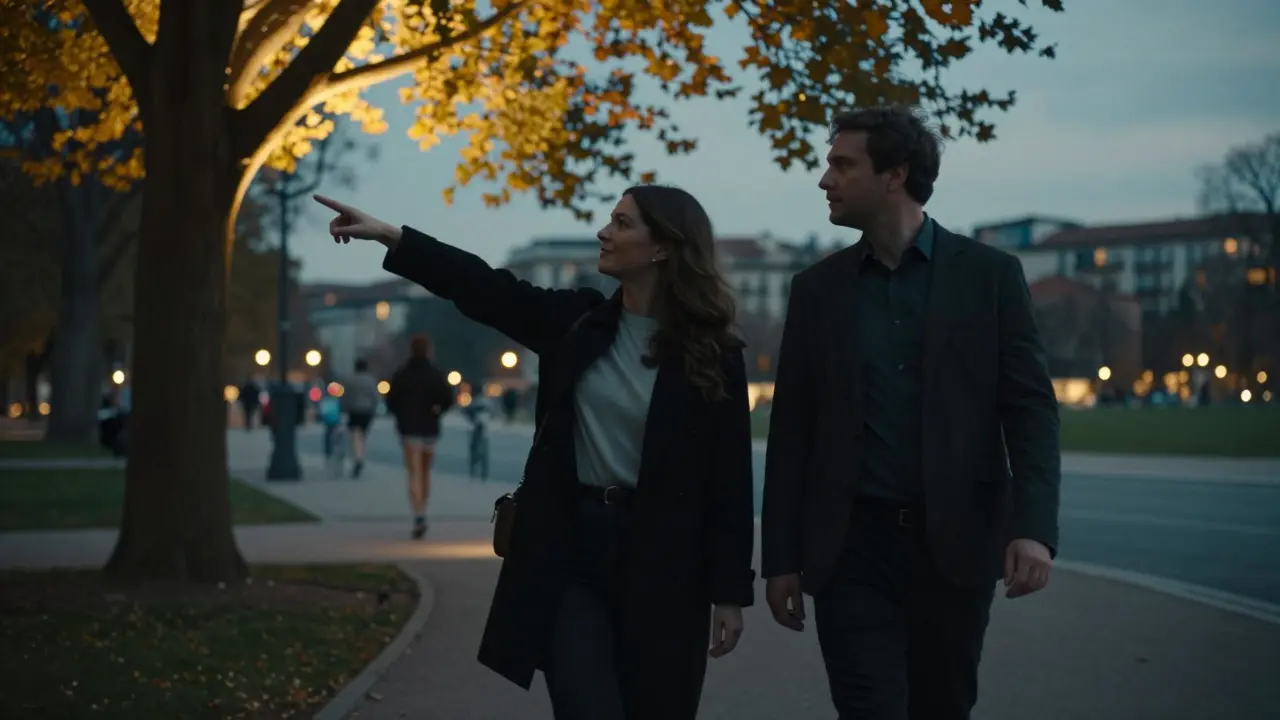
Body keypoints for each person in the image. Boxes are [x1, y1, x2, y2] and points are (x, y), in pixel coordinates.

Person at [315, 185, 756, 719]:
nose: (604, 232)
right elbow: (483, 288)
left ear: (663, 247)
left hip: (666, 559)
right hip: (573, 549)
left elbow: (728, 481)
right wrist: (393, 236)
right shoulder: (576, 323)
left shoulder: (713, 354)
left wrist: (729, 591)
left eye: (621, 223)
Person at [761, 105, 1061, 720]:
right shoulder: (817, 289)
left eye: (842, 165)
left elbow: (1029, 409)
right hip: (851, 550)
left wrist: (1033, 527)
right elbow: (792, 431)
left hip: (954, 546)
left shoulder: (990, 277)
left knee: (942, 706)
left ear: (894, 174)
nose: (825, 180)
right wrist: (781, 559)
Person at [385, 334, 455, 539]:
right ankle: (423, 507)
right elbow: (447, 398)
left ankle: (418, 513)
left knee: (413, 471)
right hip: (429, 428)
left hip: (408, 429)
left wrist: (401, 414)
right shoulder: (435, 374)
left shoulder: (402, 374)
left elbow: (391, 401)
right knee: (425, 472)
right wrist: (437, 410)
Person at [340, 358, 380, 478]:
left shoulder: (350, 380)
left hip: (354, 411)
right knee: (363, 435)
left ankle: (358, 457)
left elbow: (345, 397)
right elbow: (375, 397)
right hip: (367, 412)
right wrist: (374, 409)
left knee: (355, 434)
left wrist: (344, 408)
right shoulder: (371, 380)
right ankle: (360, 455)